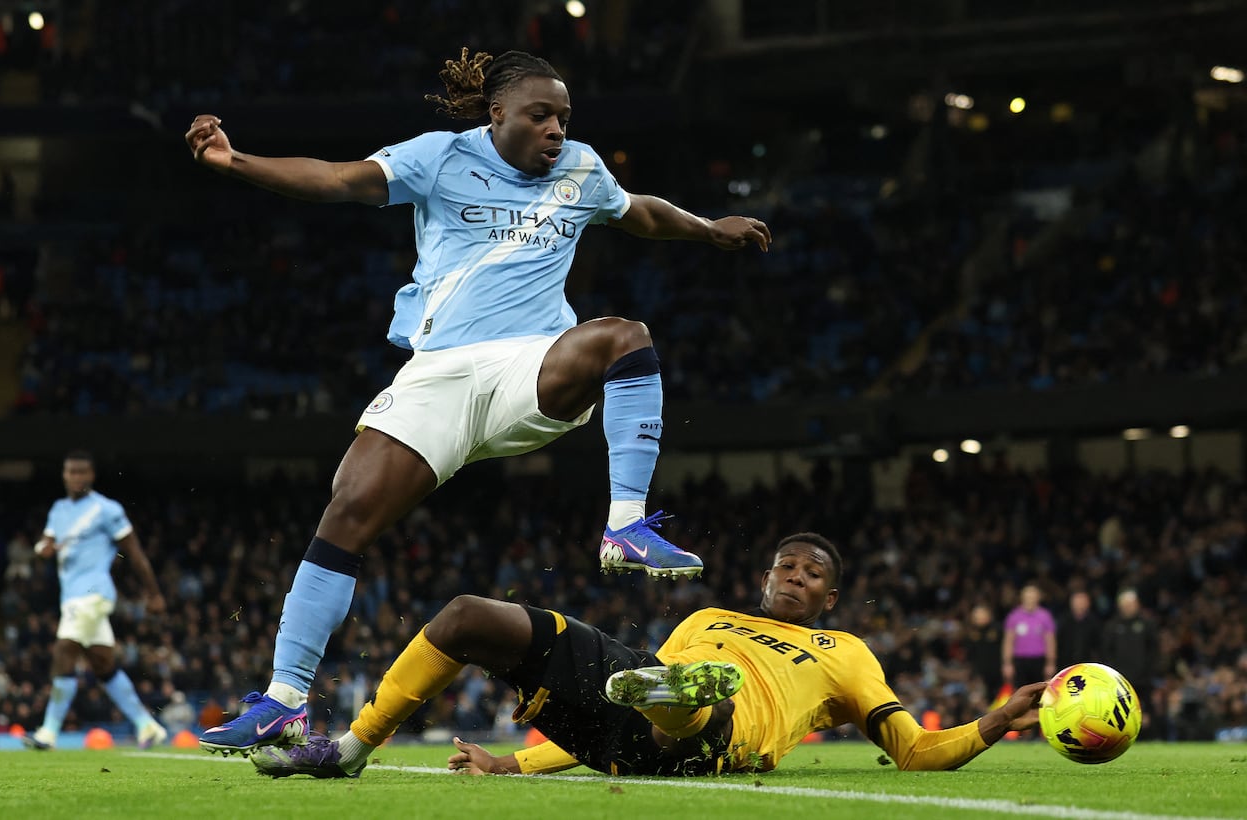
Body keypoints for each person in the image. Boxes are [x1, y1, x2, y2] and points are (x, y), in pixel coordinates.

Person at [185, 48, 772, 755]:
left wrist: (707, 228)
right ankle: (285, 701)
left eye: (563, 117)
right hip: (440, 373)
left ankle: (625, 524)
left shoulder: (581, 169)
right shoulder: (439, 156)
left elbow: (638, 213)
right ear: (497, 114)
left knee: (624, 337)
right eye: (540, 115)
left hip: (531, 364)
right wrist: (236, 162)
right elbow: (340, 179)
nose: (556, 129)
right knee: (346, 515)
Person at [249, 533, 1046, 779]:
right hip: (625, 720)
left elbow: (911, 751)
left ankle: (679, 708)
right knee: (467, 617)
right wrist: (509, 765)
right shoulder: (707, 615)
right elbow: (624, 690)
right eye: (786, 566)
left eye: (813, 574)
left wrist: (995, 721)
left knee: (688, 696)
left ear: (831, 599)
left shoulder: (845, 651)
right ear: (765, 577)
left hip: (724, 735)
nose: (796, 577)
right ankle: (349, 749)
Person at [22, 450, 168, 750]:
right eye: (71, 472)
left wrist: (154, 593)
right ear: (64, 475)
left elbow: (135, 553)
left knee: (64, 649)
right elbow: (45, 544)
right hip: (71, 597)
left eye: (82, 472)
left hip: (92, 594)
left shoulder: (107, 509)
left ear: (91, 475)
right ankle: (148, 726)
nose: (76, 477)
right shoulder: (59, 510)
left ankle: (48, 733)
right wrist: (41, 550)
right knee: (103, 664)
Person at [1101, 589, 1159, 725]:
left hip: (1143, 678)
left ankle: (1152, 733)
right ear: (1120, 606)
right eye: (1125, 604)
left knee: (1146, 713)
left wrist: (1149, 669)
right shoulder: (1112, 626)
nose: (1128, 607)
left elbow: (1153, 649)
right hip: (1119, 681)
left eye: (1131, 604)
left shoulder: (1147, 624)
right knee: (1120, 714)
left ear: (1137, 604)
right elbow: (1106, 651)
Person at [1002, 583, 1057, 690]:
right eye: (1027, 597)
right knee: (1020, 691)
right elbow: (1008, 641)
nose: (1030, 599)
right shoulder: (1014, 616)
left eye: (1033, 596)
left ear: (1038, 598)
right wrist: (1007, 663)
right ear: (1022, 598)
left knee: (1040, 692)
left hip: (1039, 660)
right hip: (1020, 660)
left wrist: (1050, 663)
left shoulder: (1045, 616)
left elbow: (1050, 641)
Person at [1056, 589, 1102, 667]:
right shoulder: (1063, 621)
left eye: (1082, 602)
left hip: (1088, 664)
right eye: (1076, 602)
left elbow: (1099, 646)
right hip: (1065, 663)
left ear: (1088, 603)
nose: (1079, 605)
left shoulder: (1095, 622)